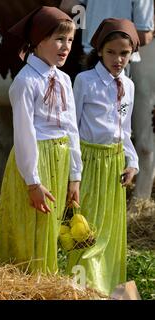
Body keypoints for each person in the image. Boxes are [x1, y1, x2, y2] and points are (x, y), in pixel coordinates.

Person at [0, 6, 82, 274]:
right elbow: (24, 134)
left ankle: (45, 278)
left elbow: (71, 128)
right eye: (58, 39)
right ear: (38, 40)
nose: (65, 46)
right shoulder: (26, 82)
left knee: (50, 229)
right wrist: (32, 181)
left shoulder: (64, 80)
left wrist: (75, 175)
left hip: (60, 158)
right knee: (31, 228)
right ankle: (25, 280)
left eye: (69, 40)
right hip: (35, 161)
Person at [67, 18, 140, 295]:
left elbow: (126, 130)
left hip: (115, 167)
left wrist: (132, 162)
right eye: (111, 52)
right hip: (90, 163)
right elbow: (72, 126)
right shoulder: (84, 81)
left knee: (111, 235)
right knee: (86, 233)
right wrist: (75, 171)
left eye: (124, 53)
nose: (118, 59)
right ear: (99, 50)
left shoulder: (129, 86)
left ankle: (111, 290)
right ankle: (83, 290)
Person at [60, 0, 153, 67]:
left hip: (90, 55)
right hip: (122, 60)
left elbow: (67, 6)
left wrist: (92, 12)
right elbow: (143, 36)